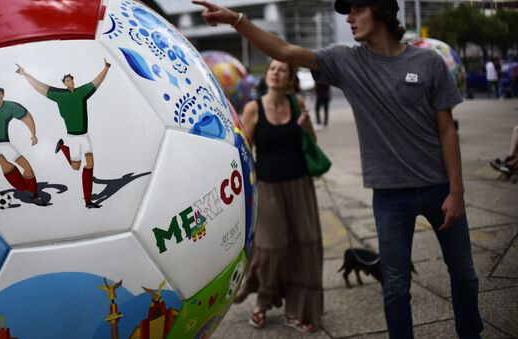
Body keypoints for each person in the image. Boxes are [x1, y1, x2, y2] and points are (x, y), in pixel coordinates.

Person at [193, 0, 483, 338]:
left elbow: (447, 129)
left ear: (383, 12)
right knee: (395, 286)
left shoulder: (428, 62)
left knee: (464, 274)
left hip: (439, 189)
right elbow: (285, 50)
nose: (349, 17)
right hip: (390, 197)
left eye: (358, 8)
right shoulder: (346, 61)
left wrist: (456, 191)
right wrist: (238, 20)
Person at [231, 59, 323, 333]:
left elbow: (312, 143)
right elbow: (242, 149)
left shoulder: (298, 104)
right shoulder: (253, 107)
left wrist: (306, 125)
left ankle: (297, 310)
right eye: (272, 68)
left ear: (291, 79)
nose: (275, 72)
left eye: (282, 70)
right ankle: (262, 300)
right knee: (271, 248)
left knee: (304, 247)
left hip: (299, 185)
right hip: (268, 187)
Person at [15, 60, 110, 209]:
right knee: (75, 167)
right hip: (73, 137)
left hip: (84, 135)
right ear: (64, 83)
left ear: (73, 81)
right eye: (66, 80)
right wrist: (25, 75)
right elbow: (40, 87)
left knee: (90, 164)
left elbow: (96, 82)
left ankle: (88, 201)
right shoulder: (59, 95)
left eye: (70, 79)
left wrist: (106, 68)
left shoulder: (82, 92)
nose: (69, 81)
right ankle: (63, 147)